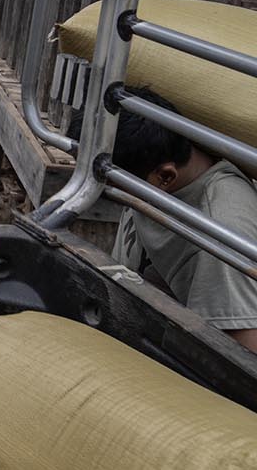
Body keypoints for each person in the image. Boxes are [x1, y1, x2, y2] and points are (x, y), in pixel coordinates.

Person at [70, 87, 257, 353]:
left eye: (108, 183)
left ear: (165, 177)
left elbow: (243, 364)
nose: (94, 190)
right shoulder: (156, 168)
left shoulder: (221, 232)